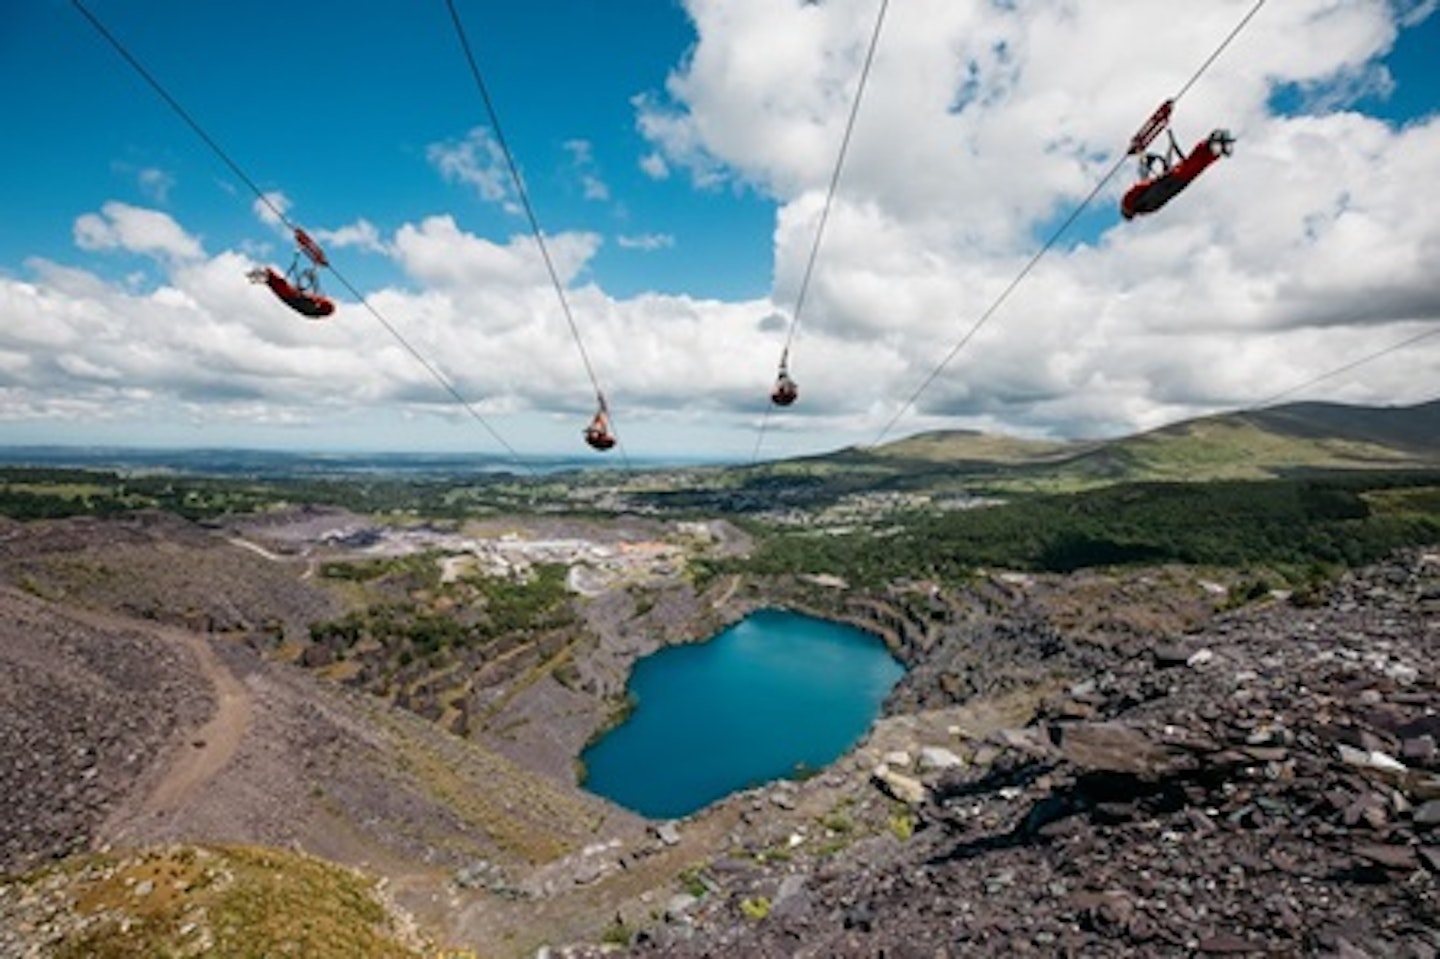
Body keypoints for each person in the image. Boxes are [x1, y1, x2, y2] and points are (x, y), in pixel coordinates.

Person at [1121, 129, 1234, 220]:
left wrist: (1157, 180)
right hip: (1174, 184)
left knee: (1191, 166)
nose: (1131, 215)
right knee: (1194, 168)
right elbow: (1161, 198)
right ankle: (1215, 150)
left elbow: (1141, 187)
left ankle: (1211, 147)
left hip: (1170, 181)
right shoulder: (1143, 209)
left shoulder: (1131, 203)